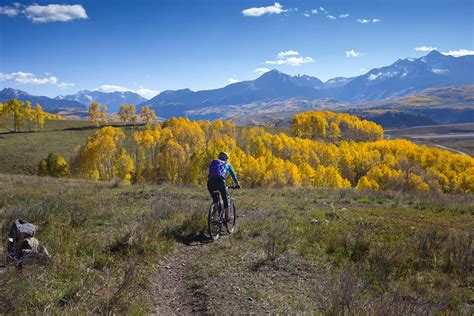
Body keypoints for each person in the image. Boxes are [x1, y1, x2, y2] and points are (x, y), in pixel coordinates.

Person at [207, 151, 240, 221]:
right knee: (225, 200)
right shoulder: (227, 164)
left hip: (210, 182)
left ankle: (212, 216)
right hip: (220, 181)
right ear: (226, 159)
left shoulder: (214, 162)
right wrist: (237, 184)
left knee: (215, 200)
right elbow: (233, 175)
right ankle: (227, 217)